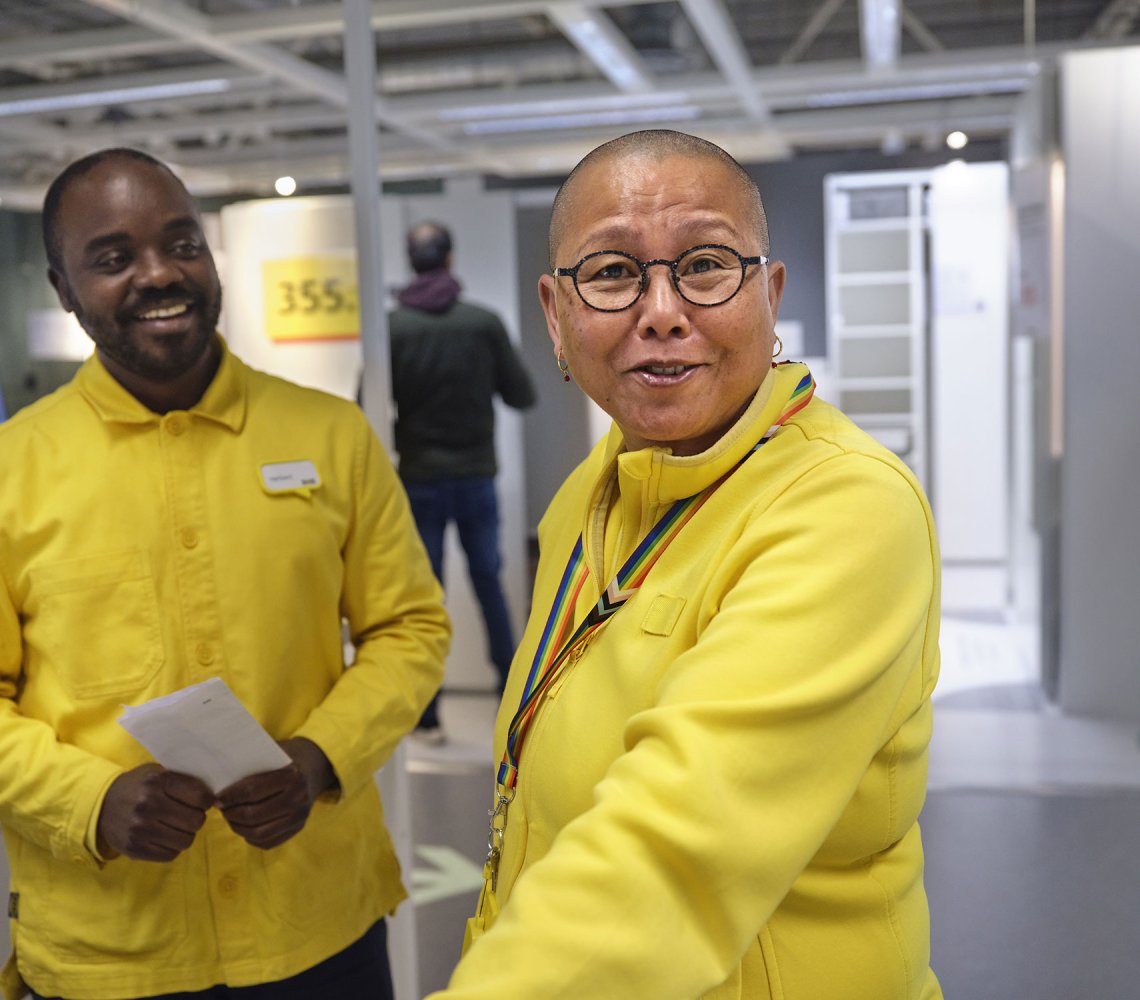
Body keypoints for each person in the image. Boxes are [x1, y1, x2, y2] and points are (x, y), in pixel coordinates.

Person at [427, 130, 943, 999]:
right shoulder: (590, 496)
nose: (661, 310)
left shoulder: (849, 506)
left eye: (705, 264)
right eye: (613, 273)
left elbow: (676, 847)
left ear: (769, 295)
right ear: (556, 316)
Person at [0, 148, 450, 1000]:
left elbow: (410, 628)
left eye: (182, 244)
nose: (159, 274)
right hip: (113, 947)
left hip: (315, 927)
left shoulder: (330, 435)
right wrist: (89, 799)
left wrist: (319, 758)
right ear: (63, 290)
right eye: (113, 258)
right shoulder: (11, 468)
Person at [388, 221, 536, 742]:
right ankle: (513, 706)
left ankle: (427, 719)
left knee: (426, 598)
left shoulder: (394, 328)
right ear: (449, 260)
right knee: (490, 587)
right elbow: (522, 396)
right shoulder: (482, 323)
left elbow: (368, 405)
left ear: (413, 261)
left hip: (419, 478)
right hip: (475, 476)